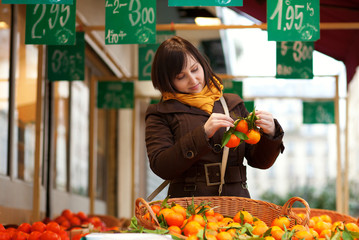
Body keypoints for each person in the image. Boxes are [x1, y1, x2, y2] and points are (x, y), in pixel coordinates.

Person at [145, 36, 284, 198]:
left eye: (195, 69)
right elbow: (161, 166)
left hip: (236, 204)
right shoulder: (160, 112)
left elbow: (260, 161)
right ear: (167, 82)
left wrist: (270, 133)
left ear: (203, 64)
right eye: (180, 77)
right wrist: (202, 134)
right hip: (188, 208)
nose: (193, 79)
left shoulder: (232, 104)